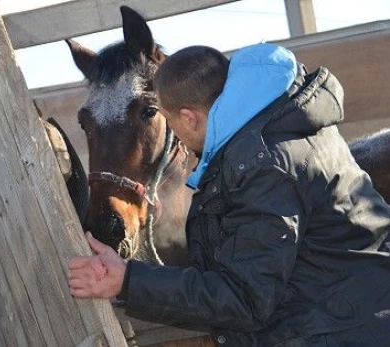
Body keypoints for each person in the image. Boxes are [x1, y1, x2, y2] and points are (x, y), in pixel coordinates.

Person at [68, 43, 390, 346]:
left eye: (170, 123)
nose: (176, 139)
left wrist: (128, 281)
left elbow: (245, 299)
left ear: (189, 118)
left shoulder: (263, 167)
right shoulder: (282, 125)